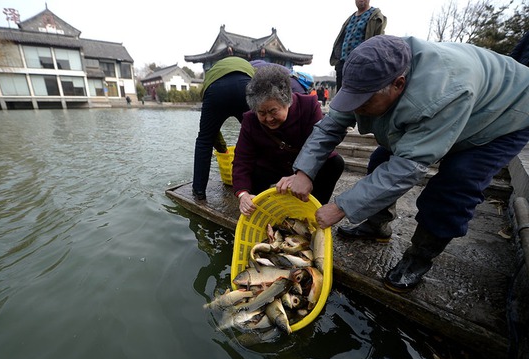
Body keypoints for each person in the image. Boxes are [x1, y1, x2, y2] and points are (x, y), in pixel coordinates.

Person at [277, 35, 529, 292]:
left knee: (456, 182)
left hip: (505, 114)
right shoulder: (369, 73)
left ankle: (418, 258)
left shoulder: (445, 92)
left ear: (399, 84)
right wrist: (304, 171)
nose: (357, 109)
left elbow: (408, 166)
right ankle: (377, 224)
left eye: (363, 103)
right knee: (380, 157)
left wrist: (341, 206)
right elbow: (329, 128)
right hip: (460, 99)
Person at [232, 65, 345, 216]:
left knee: (335, 163)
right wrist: (243, 194)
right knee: (254, 174)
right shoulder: (249, 120)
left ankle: (312, 210)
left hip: (304, 166)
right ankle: (262, 211)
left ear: (287, 101)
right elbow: (242, 160)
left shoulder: (309, 106)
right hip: (272, 167)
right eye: (262, 113)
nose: (269, 118)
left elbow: (320, 146)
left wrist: (303, 173)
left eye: (273, 111)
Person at [192, 57, 255, 200]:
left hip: (215, 90)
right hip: (246, 87)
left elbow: (211, 134)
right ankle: (257, 188)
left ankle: (199, 191)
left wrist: (222, 148)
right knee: (256, 135)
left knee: (204, 140)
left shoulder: (210, 76)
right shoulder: (251, 69)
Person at [330, 0, 387, 91]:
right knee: (340, 98)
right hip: (343, 64)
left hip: (360, 65)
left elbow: (378, 42)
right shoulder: (350, 18)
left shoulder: (376, 17)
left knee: (357, 98)